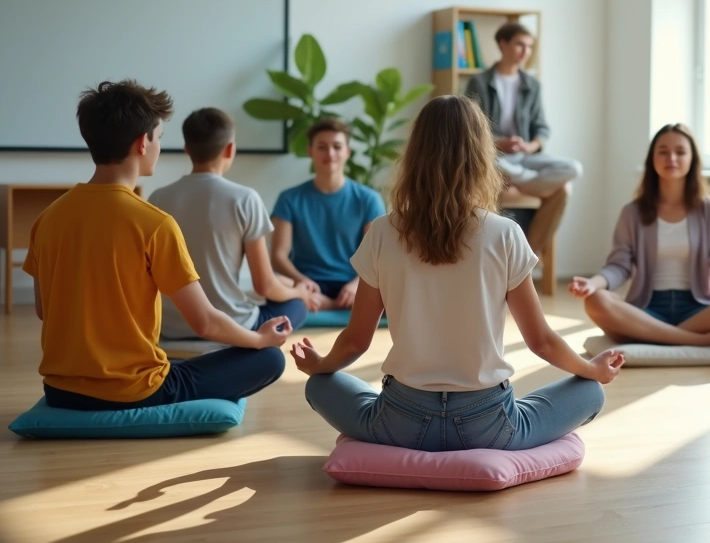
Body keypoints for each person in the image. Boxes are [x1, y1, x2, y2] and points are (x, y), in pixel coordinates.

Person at [290, 95, 624, 451]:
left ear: (415, 154)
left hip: (401, 420)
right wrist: (592, 370)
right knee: (589, 392)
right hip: (489, 423)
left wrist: (320, 364)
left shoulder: (382, 232)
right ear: (481, 156)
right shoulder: (506, 234)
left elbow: (356, 341)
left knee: (319, 384)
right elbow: (540, 341)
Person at [23, 80, 292, 412]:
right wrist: (260, 339)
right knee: (269, 359)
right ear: (142, 143)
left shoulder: (48, 218)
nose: (159, 147)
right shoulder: (154, 223)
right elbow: (204, 323)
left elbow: (42, 309)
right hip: (133, 390)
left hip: (61, 391)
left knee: (178, 364)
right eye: (159, 138)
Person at [568, 123, 710, 348]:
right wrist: (593, 283)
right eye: (663, 151)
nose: (672, 158)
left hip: (698, 310)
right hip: (647, 308)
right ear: (652, 159)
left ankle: (652, 336)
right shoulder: (632, 212)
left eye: (680, 152)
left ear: (692, 159)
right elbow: (619, 266)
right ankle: (696, 340)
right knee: (596, 300)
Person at [149, 107, 314, 349]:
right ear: (230, 149)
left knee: (286, 289)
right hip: (234, 325)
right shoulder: (245, 199)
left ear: (187, 150)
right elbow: (264, 285)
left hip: (171, 328)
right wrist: (300, 293)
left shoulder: (158, 199)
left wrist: (292, 285)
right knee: (297, 305)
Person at [465, 22, 581, 253]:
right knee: (561, 188)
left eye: (529, 46)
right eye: (520, 44)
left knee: (574, 168)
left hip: (524, 159)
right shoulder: (480, 82)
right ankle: (532, 186)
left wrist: (530, 145)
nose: (525, 51)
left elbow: (542, 128)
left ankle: (529, 251)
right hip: (494, 156)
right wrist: (500, 143)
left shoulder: (532, 84)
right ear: (503, 44)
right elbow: (470, 130)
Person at [270, 118, 386, 311]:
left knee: (391, 289)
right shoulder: (289, 198)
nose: (330, 153)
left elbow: (376, 257)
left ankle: (328, 305)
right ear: (310, 151)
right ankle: (332, 305)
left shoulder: (368, 199)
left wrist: (356, 284)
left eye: (337, 147)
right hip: (308, 285)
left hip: (354, 284)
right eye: (322, 147)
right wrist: (304, 284)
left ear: (347, 152)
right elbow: (278, 256)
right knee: (274, 282)